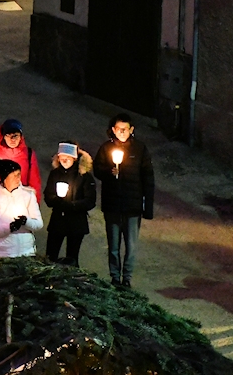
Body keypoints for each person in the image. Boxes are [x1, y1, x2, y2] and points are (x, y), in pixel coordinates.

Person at [93, 113, 155, 288]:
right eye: (118, 129)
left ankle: (126, 278)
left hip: (133, 206)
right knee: (113, 245)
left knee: (131, 246)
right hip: (112, 205)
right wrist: (109, 172)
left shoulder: (140, 149)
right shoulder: (106, 148)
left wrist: (147, 206)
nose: (122, 132)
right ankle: (114, 276)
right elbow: (97, 170)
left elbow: (148, 178)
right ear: (113, 130)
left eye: (125, 129)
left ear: (131, 130)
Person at [43, 142, 97, 267]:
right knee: (50, 256)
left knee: (72, 258)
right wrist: (57, 200)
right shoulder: (55, 174)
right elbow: (48, 195)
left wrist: (72, 206)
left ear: (74, 158)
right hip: (58, 221)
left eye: (67, 157)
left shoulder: (84, 176)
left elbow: (90, 201)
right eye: (61, 157)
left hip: (76, 223)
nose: (64, 160)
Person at [0, 159, 44, 258]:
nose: (18, 178)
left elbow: (39, 224)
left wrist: (26, 221)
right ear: (4, 177)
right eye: (14, 175)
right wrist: (9, 228)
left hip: (27, 252)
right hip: (4, 253)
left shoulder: (28, 195)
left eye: (19, 174)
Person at [0, 118, 42, 202]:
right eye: (8, 135)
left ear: (21, 136)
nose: (12, 139)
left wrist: (35, 206)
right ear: (3, 136)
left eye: (16, 135)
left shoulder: (29, 154)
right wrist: (3, 185)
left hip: (21, 200)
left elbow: (35, 183)